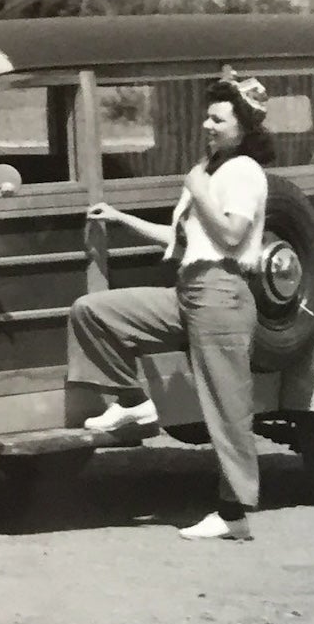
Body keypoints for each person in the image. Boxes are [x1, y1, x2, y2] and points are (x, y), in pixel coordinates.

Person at [68, 77, 277, 542]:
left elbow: (229, 235)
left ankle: (234, 514)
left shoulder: (243, 172)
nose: (207, 124)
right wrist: (122, 220)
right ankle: (135, 403)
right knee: (94, 312)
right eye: (208, 116)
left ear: (242, 127)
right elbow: (184, 241)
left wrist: (197, 187)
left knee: (226, 408)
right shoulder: (211, 168)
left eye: (218, 119)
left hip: (222, 293)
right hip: (190, 289)